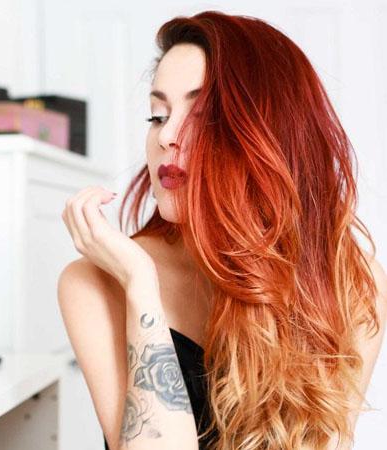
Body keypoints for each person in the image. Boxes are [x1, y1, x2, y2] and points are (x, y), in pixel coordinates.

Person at [58, 10, 386, 450]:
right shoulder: (96, 284)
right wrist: (140, 286)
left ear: (270, 135)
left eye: (203, 116)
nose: (167, 136)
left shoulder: (351, 284)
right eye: (157, 116)